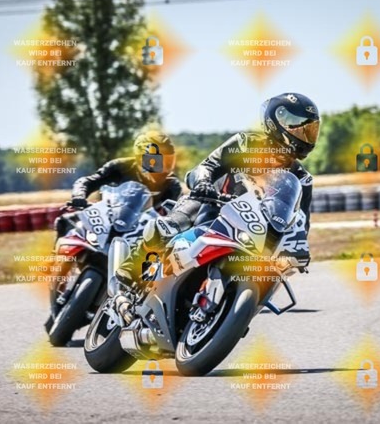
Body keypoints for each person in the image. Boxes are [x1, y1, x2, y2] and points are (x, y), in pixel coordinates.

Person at [114, 93, 320, 298]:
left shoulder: (302, 178)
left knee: (273, 273)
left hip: (254, 231)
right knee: (170, 226)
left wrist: (297, 248)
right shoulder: (245, 144)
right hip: (212, 203)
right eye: (298, 128)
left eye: (310, 130)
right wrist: (203, 182)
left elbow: (300, 222)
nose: (305, 135)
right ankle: (131, 268)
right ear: (276, 123)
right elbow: (207, 166)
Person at [55, 131, 182, 237]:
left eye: (169, 161)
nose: (165, 168)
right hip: (108, 219)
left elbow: (173, 215)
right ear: (142, 157)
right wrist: (79, 196)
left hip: (144, 230)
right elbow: (88, 181)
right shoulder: (120, 168)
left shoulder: (172, 184)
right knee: (65, 221)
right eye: (160, 160)